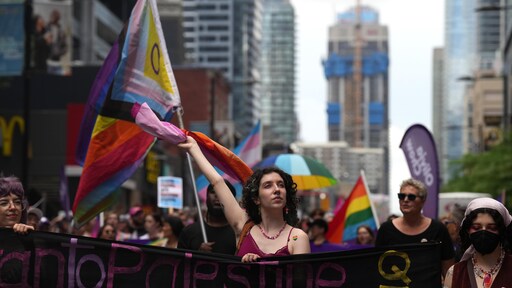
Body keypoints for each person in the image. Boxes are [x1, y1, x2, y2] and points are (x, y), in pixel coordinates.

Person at [178, 137, 310, 262]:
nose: (277, 189)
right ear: (256, 199)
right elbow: (217, 182)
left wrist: (260, 264)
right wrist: (194, 148)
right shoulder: (244, 227)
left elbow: (300, 280)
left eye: (281, 185)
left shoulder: (297, 238)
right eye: (268, 185)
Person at [375, 178, 454, 278]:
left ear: (423, 201)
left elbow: (449, 271)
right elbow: (377, 266)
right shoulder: (386, 229)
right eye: (401, 196)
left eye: (411, 197)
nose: (405, 200)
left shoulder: (438, 229)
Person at [444, 198, 512, 288]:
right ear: (468, 230)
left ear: (501, 231)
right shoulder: (455, 273)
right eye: (476, 227)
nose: (483, 232)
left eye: (491, 228)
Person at [178, 180, 237, 254]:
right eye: (213, 192)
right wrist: (198, 255)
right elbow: (180, 263)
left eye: (223, 192)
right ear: (206, 197)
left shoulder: (240, 233)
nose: (217, 195)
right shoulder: (189, 232)